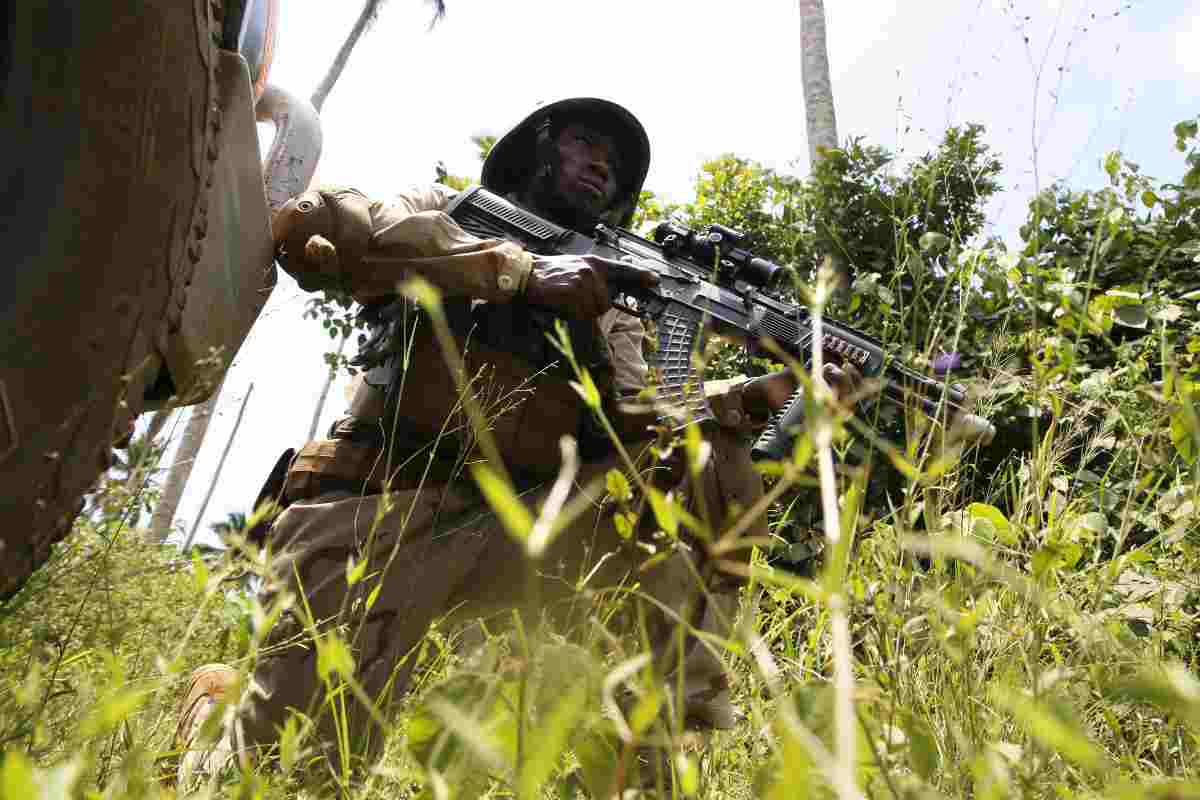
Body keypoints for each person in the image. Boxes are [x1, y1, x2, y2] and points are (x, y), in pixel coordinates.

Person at [174, 97, 856, 788]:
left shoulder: (615, 302)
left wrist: (751, 397)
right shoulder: (447, 208)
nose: (602, 166)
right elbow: (311, 224)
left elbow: (634, 420)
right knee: (294, 770)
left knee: (707, 477)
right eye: (587, 143)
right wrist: (519, 273)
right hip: (389, 496)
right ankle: (212, 720)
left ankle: (641, 756)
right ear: (538, 147)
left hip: (535, 527)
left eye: (615, 164)